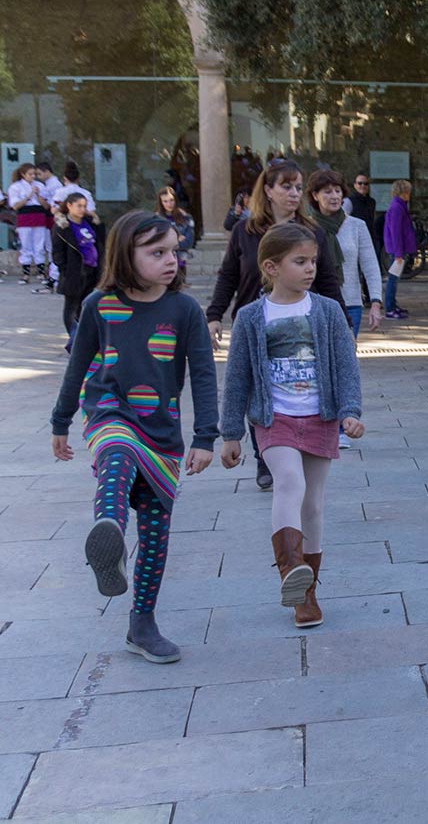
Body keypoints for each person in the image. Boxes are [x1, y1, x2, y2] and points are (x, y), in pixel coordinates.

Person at [49, 211, 218, 663]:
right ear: (126, 254)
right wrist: (60, 421)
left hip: (162, 434)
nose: (171, 260)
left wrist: (206, 436)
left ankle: (141, 625)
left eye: (174, 251)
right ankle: (110, 538)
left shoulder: (185, 311)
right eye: (157, 252)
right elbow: (77, 365)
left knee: (158, 533)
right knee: (118, 453)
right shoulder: (98, 305)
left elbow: (202, 375)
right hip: (109, 413)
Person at [220, 224, 363, 628]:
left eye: (314, 261)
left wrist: (351, 410)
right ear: (271, 266)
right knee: (289, 482)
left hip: (321, 416)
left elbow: (346, 366)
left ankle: (307, 593)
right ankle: (291, 574)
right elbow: (237, 377)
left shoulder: (328, 310)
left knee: (313, 503)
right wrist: (230, 432)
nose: (310, 268)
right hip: (274, 418)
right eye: (300, 261)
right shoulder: (251, 317)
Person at [206, 160, 342, 491]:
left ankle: (289, 449)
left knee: (287, 384)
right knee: (256, 386)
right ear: (267, 190)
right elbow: (229, 276)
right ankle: (264, 455)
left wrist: (343, 328)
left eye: (298, 187)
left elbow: (326, 281)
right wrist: (214, 314)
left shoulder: (314, 233)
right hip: (255, 325)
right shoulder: (244, 231)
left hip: (301, 328)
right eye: (286, 186)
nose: (294, 193)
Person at [308, 169, 384, 342]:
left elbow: (370, 266)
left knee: (346, 358)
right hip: (314, 303)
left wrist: (375, 303)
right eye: (327, 192)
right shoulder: (306, 227)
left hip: (350, 303)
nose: (334, 196)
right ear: (315, 195)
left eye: (338, 191)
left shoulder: (356, 225)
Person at [52, 192, 102, 352]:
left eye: (84, 206)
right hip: (74, 271)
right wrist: (64, 269)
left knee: (85, 305)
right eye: (79, 206)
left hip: (92, 270)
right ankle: (74, 340)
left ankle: (82, 338)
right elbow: (58, 252)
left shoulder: (88, 222)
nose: (82, 209)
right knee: (71, 307)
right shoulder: (63, 226)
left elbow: (100, 240)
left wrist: (97, 221)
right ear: (69, 206)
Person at [8, 163, 51, 284]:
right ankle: (25, 274)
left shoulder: (40, 186)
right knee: (26, 245)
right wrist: (29, 195)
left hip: (39, 216)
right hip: (24, 217)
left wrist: (37, 195)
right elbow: (15, 206)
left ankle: (42, 273)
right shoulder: (15, 187)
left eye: (34, 174)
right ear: (23, 174)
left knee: (39, 245)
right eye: (30, 174)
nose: (33, 176)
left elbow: (46, 206)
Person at [382, 178, 417, 319]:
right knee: (393, 279)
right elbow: (395, 231)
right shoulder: (397, 207)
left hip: (398, 248)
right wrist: (398, 253)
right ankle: (390, 308)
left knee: (394, 278)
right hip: (397, 249)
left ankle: (393, 305)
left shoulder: (400, 205)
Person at [157, 186, 196, 276]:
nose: (169, 204)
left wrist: (168, 241)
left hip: (181, 264)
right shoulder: (156, 220)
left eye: (171, 200)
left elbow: (188, 242)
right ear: (161, 203)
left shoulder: (186, 217)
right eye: (165, 201)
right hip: (162, 264)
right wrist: (176, 239)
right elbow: (157, 243)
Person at [342, 172, 380, 253]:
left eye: (365, 184)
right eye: (360, 183)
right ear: (355, 185)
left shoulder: (372, 202)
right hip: (354, 239)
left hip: (369, 239)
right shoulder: (348, 201)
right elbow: (343, 222)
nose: (363, 186)